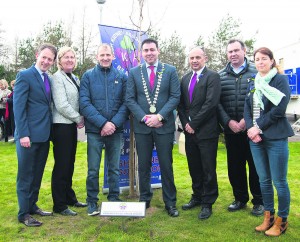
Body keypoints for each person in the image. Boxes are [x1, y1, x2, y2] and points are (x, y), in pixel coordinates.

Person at [126, 38, 181, 217]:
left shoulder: (170, 70)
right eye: (146, 50)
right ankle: (144, 200)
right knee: (143, 165)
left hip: (164, 126)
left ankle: (170, 203)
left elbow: (175, 97)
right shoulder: (134, 72)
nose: (149, 53)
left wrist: (159, 116)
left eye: (152, 49)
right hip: (143, 127)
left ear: (158, 51)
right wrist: (144, 118)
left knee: (166, 165)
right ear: (141, 53)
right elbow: (130, 99)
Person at [244, 47, 294, 237]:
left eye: (264, 59)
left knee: (279, 181)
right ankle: (269, 217)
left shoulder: (279, 80)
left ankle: (282, 220)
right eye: (257, 59)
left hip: (275, 137)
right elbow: (246, 108)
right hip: (255, 139)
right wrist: (251, 129)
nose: (260, 62)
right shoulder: (253, 81)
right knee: (263, 180)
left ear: (272, 61)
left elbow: (280, 109)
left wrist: (258, 127)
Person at [80, 43, 129, 216]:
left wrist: (112, 124)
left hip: (115, 130)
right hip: (95, 131)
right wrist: (103, 124)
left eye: (108, 55)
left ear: (113, 56)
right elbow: (84, 103)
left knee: (114, 167)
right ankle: (92, 201)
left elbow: (126, 103)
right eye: (102, 55)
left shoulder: (122, 77)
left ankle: (114, 198)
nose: (105, 58)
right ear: (97, 57)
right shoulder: (88, 76)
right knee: (93, 169)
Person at [218, 39, 264, 216]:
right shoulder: (220, 75)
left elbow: (261, 99)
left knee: (255, 167)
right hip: (231, 130)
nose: (233, 54)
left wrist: (247, 120)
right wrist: (228, 122)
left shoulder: (257, 71)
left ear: (244, 51)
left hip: (252, 130)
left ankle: (258, 201)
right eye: (230, 52)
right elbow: (217, 103)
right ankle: (240, 199)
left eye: (236, 50)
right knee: (235, 167)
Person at [14, 43, 57, 227]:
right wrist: (23, 134)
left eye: (50, 59)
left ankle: (32, 206)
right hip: (28, 137)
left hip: (43, 136)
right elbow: (18, 107)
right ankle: (24, 214)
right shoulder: (25, 75)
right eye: (44, 57)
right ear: (37, 55)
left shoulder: (47, 78)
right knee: (26, 175)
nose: (46, 61)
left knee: (37, 174)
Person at [178, 47, 220, 219]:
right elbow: (180, 105)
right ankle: (197, 196)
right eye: (191, 58)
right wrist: (186, 124)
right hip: (189, 132)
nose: (194, 60)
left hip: (207, 132)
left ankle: (207, 202)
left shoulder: (213, 77)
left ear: (205, 58)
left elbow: (211, 103)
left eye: (198, 57)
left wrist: (194, 123)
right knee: (194, 167)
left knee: (208, 168)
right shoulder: (185, 78)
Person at [51, 46, 86, 216]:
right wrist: (79, 118)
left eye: (72, 57)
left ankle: (69, 197)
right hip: (61, 126)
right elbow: (62, 105)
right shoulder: (57, 78)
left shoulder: (73, 77)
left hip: (70, 126)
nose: (70, 60)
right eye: (66, 57)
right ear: (59, 60)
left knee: (69, 163)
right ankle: (59, 205)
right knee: (62, 165)